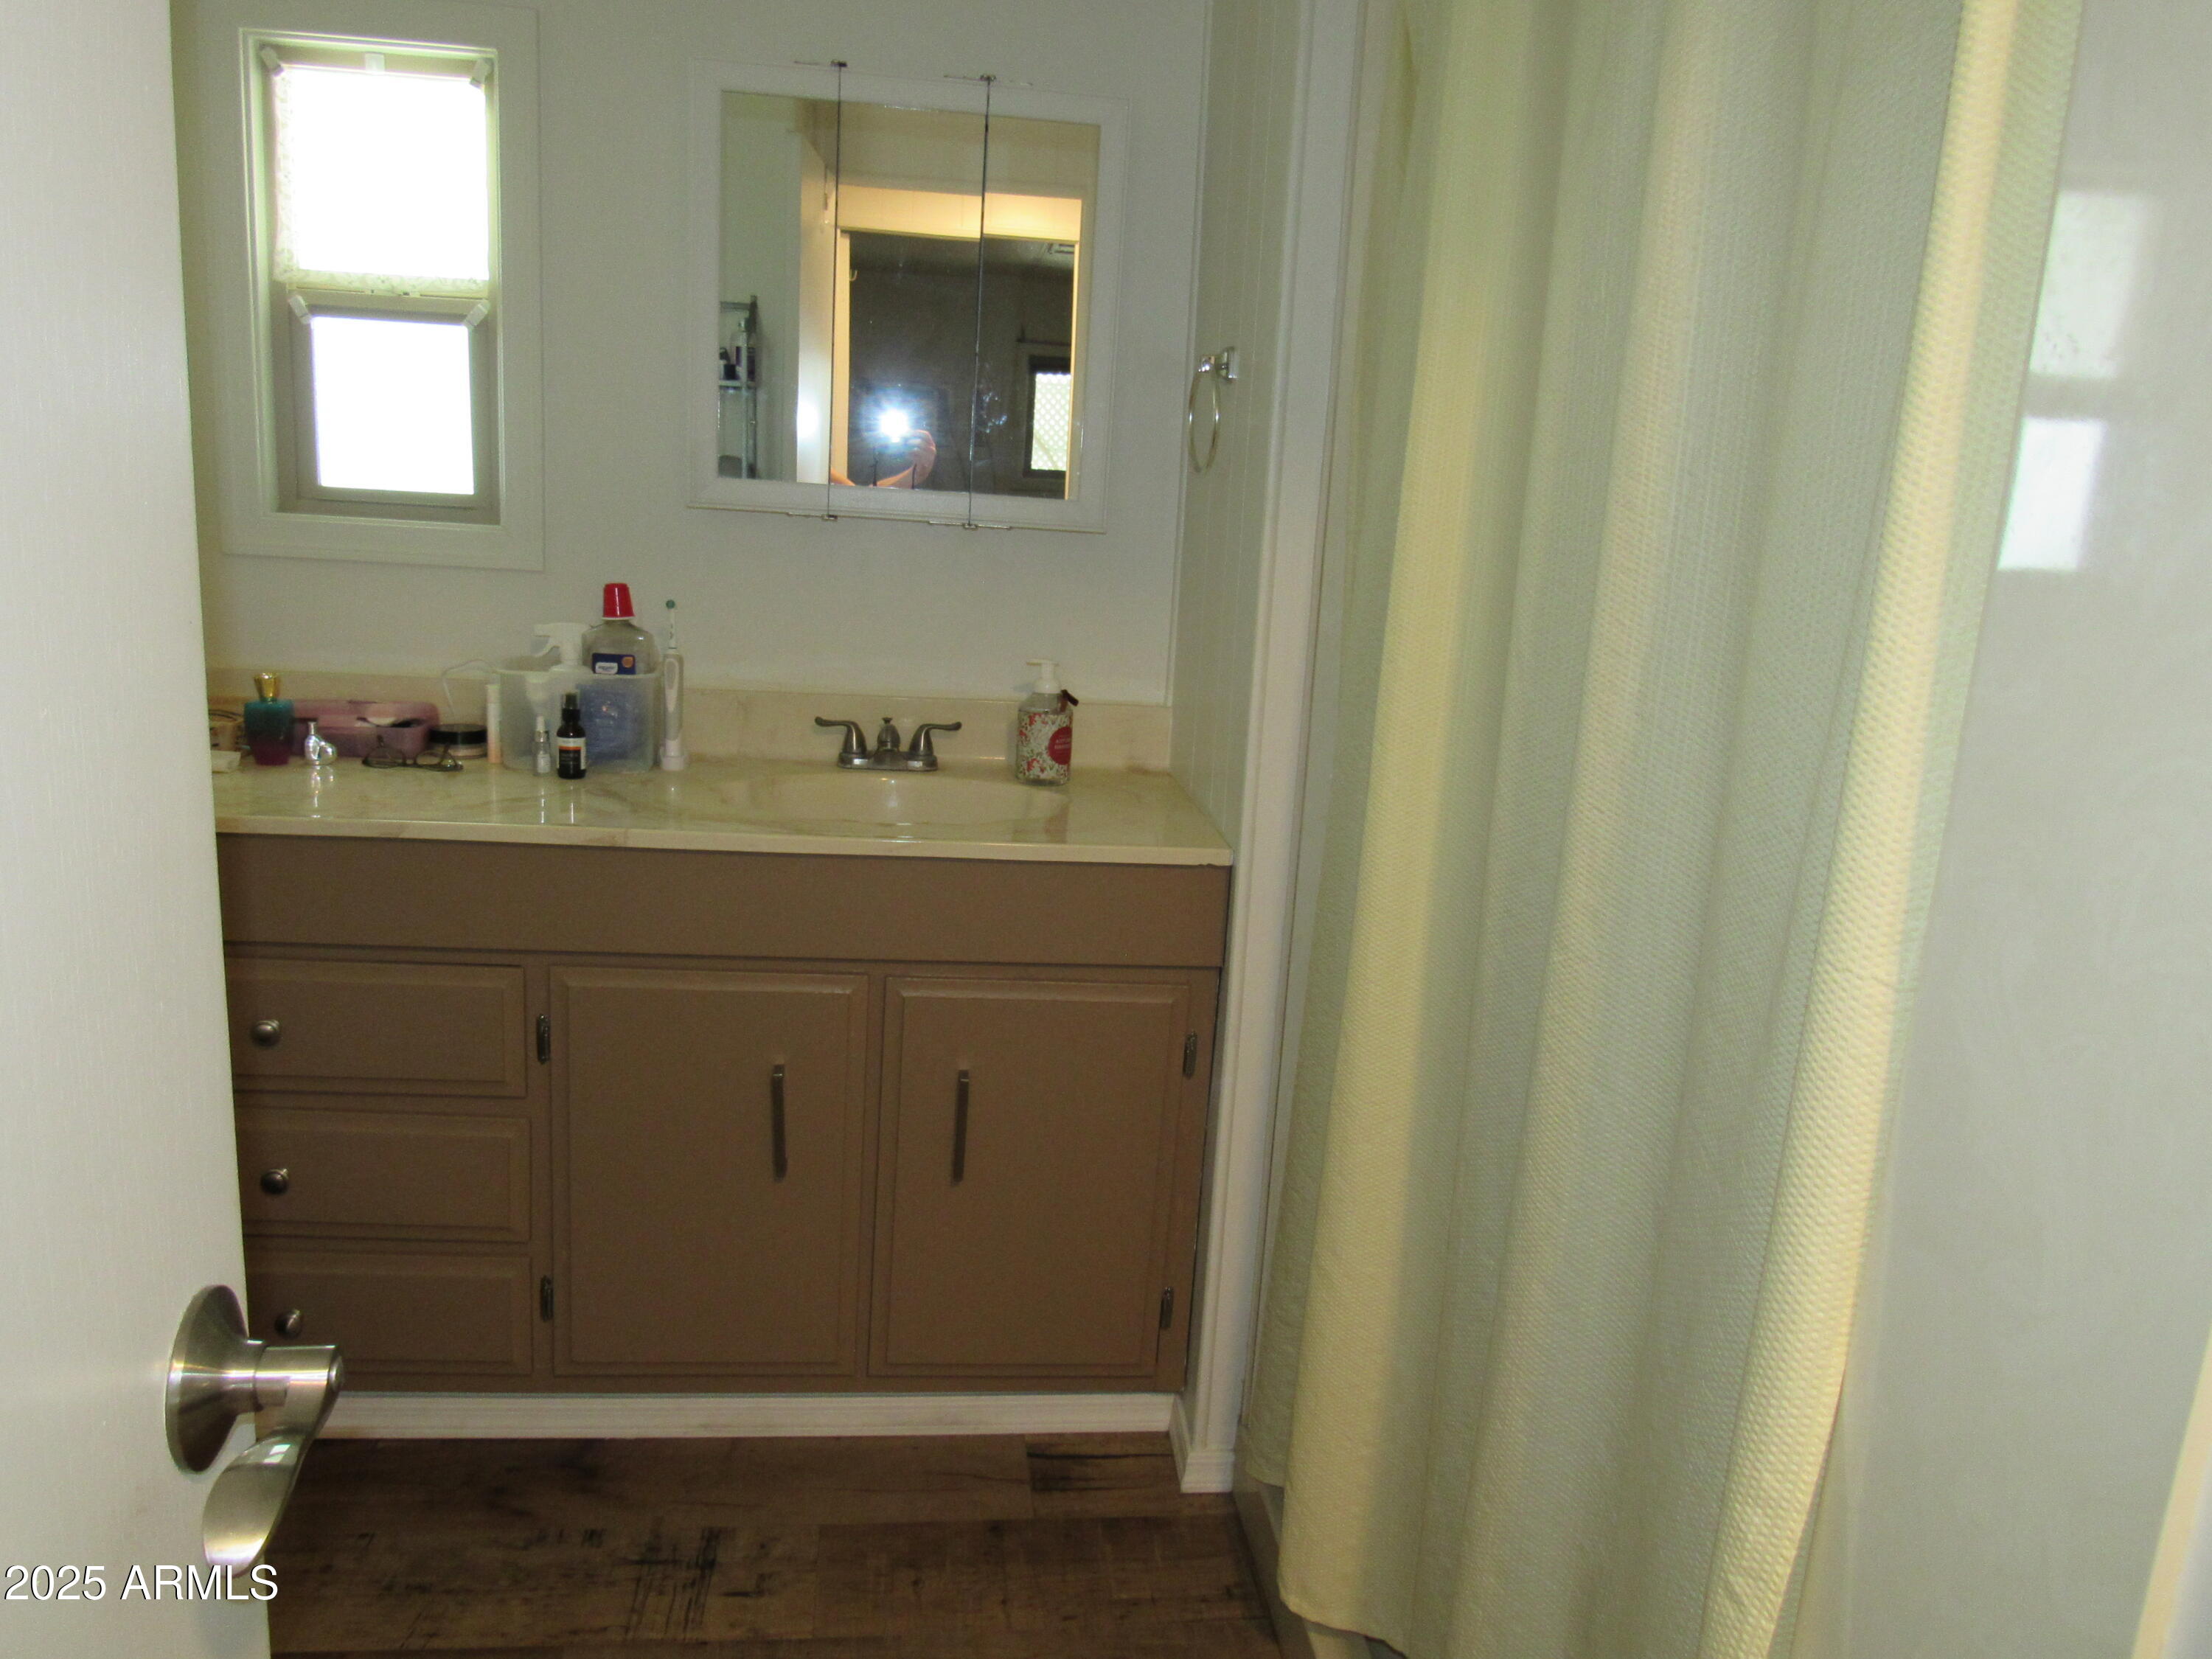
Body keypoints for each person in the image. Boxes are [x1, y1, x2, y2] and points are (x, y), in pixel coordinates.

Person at [831, 428, 936, 490]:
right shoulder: (818, 464)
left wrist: (917, 473)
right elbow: (857, 499)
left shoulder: (819, 466)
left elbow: (860, 499)